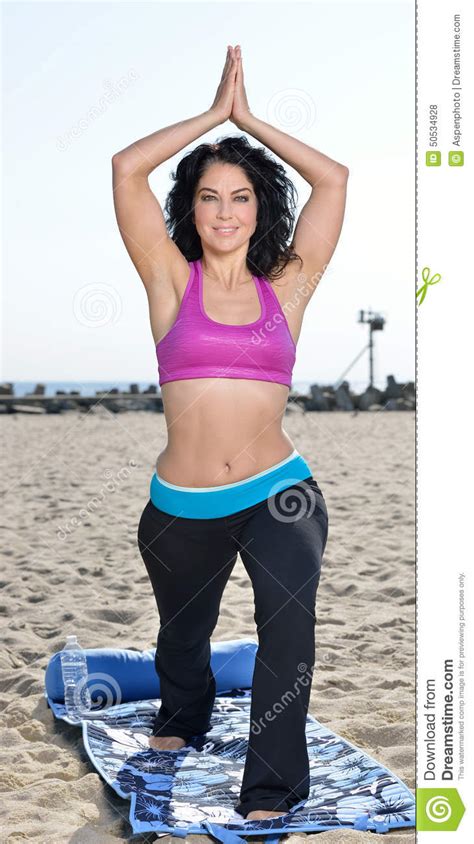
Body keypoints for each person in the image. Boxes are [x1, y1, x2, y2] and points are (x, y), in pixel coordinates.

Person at [111, 44, 349, 821]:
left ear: (258, 207)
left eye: (240, 197)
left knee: (288, 636)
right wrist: (211, 119)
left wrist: (250, 121)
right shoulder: (167, 279)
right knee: (184, 634)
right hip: (180, 507)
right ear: (193, 207)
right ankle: (181, 720)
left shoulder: (290, 282)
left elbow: (335, 180)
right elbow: (124, 168)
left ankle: (271, 790)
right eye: (209, 196)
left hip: (278, 493)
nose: (223, 212)